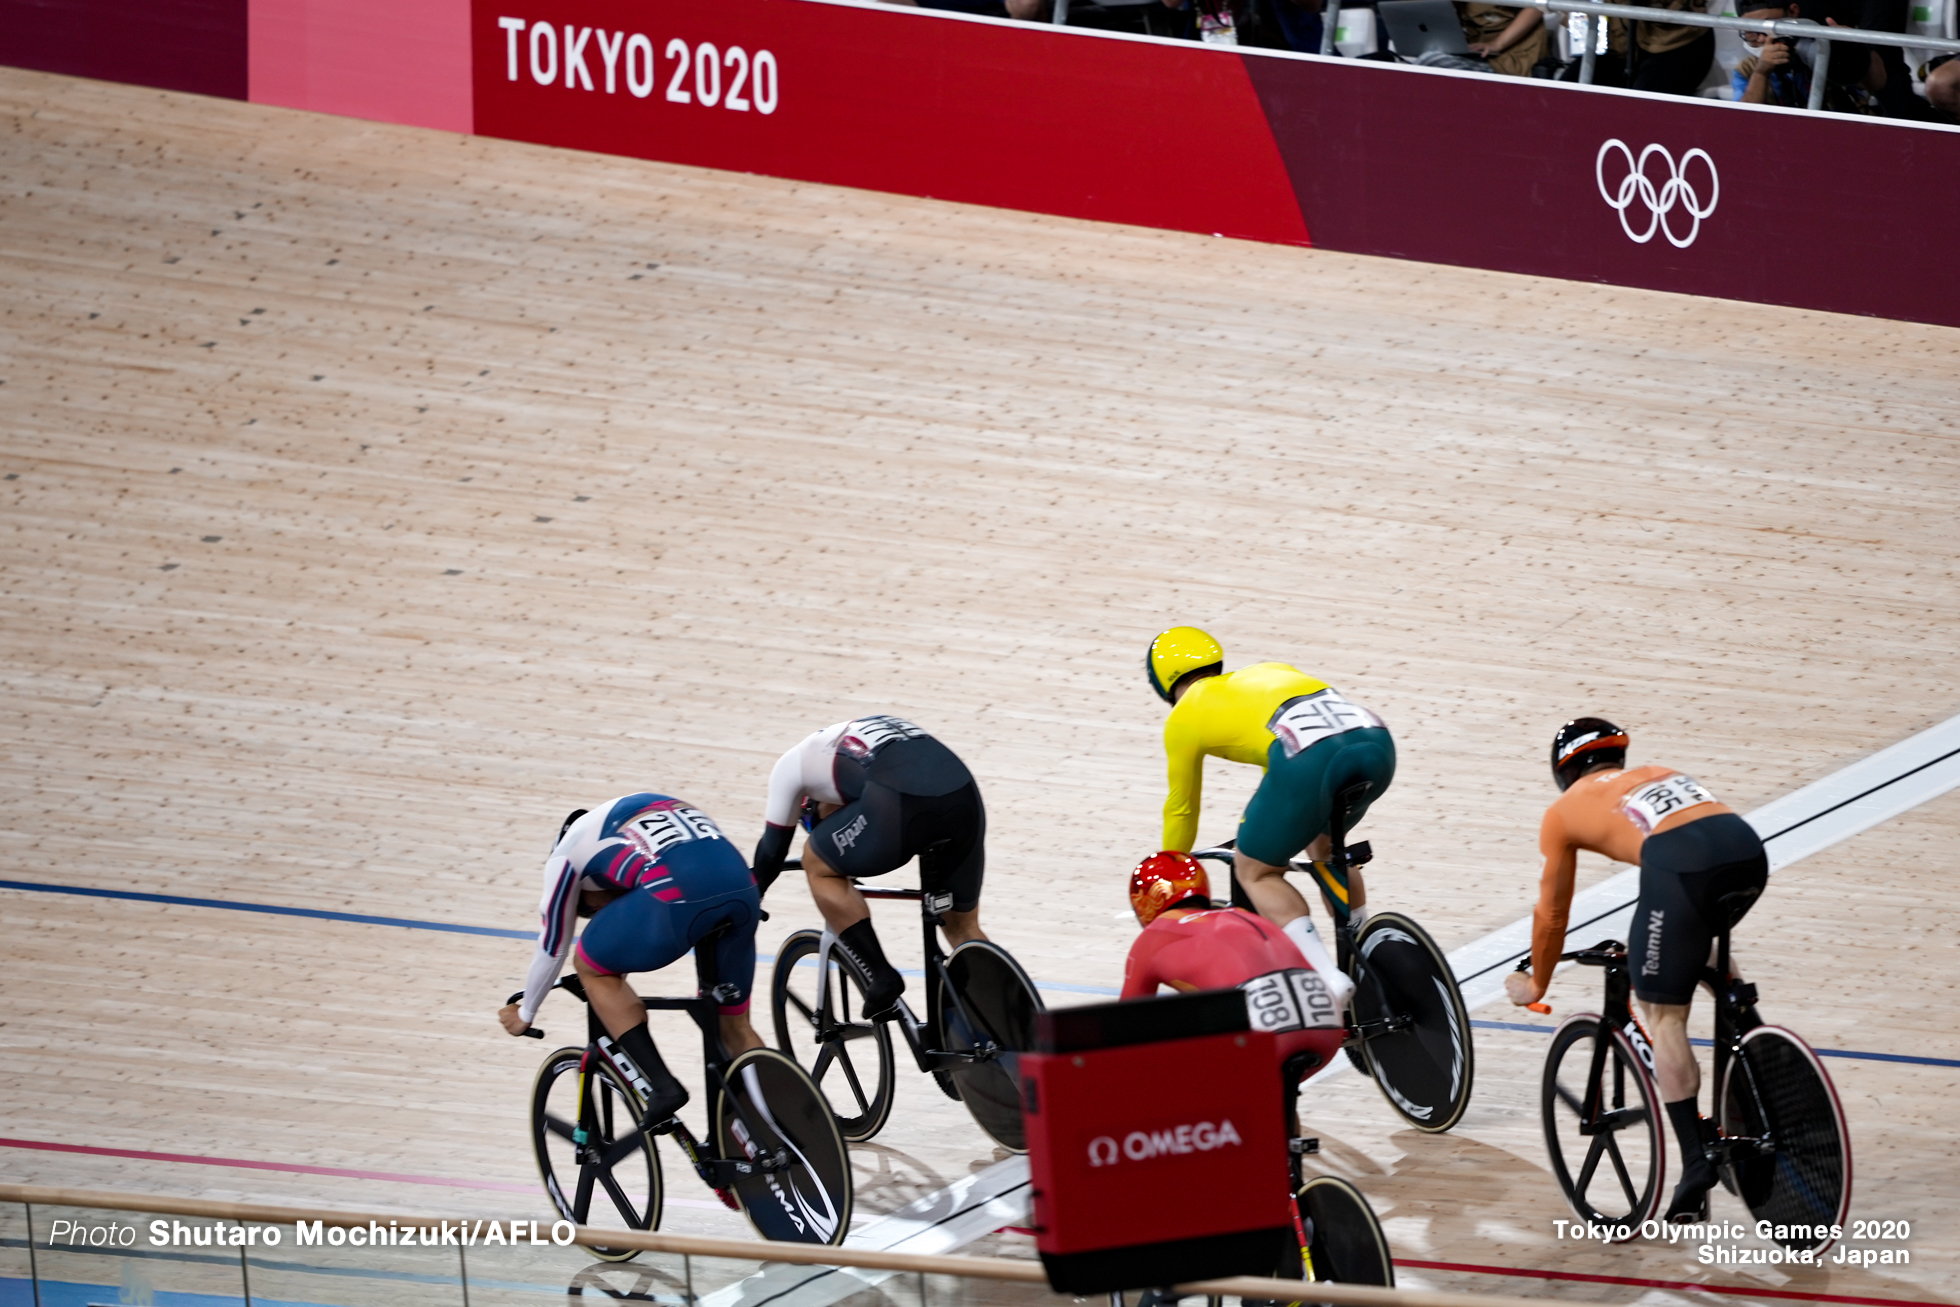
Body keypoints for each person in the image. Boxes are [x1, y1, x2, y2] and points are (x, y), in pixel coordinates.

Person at [1504, 718, 1769, 1223]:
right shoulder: (1658, 772)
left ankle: (1696, 1160)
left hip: (1683, 870)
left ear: (1564, 770)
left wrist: (1537, 981)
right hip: (1747, 853)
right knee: (1692, 941)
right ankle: (1750, 1032)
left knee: (1663, 1014)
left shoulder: (1562, 812)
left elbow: (1552, 911)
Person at [1147, 626, 1396, 1007]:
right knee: (1325, 847)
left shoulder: (1183, 716)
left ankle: (1329, 978)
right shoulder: (1267, 671)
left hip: (1310, 761)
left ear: (1161, 682)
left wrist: (1172, 864)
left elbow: (1182, 807)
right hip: (1375, 742)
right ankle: (1367, 951)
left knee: (1255, 870)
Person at [497, 793, 764, 1122]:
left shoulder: (564, 855)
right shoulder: (634, 809)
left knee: (590, 966)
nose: (597, 911)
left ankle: (664, 1086)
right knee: (734, 1026)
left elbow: (553, 943)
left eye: (587, 907)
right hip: (742, 887)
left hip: (677, 891)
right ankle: (782, 1120)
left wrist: (526, 1011)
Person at [751, 715, 987, 1017]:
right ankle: (1012, 1024)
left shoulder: (791, 766)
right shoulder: (846, 738)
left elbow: (771, 853)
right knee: (963, 928)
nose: (820, 827)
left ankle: (881, 975)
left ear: (810, 803)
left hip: (898, 798)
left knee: (817, 860)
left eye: (813, 822)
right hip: (963, 794)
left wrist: (751, 899)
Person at [1121, 851, 1346, 1122]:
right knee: (1273, 1092)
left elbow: (1124, 1028)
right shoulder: (1240, 914)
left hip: (1266, 1034)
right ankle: (1286, 1149)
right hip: (1327, 1022)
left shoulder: (1153, 936)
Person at [1457, 2, 1548, 76]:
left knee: (1449, 68)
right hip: (1473, 48)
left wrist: (1496, 44)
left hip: (1512, 53)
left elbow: (1536, 7)